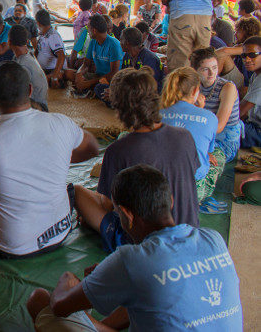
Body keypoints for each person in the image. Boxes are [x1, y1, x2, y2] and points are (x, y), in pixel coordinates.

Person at [28, 165, 242, 332]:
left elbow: (59, 306)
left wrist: (67, 279)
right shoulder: (212, 238)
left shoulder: (131, 260)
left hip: (123, 276)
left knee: (39, 300)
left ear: (127, 215)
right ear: (171, 200)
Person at [0, 61, 99, 258]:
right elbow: (93, 147)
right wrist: (60, 156)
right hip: (60, 230)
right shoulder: (60, 122)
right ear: (30, 91)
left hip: (11, 247)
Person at [75, 67, 200, 253]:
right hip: (189, 234)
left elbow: (109, 206)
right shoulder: (185, 136)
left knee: (77, 191)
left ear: (117, 107)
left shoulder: (118, 150)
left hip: (147, 246)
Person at [161, 67, 225, 206]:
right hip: (193, 190)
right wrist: (200, 110)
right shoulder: (210, 118)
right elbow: (207, 150)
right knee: (219, 154)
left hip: (159, 185)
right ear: (196, 91)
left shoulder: (158, 112)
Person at [190, 48, 242, 163]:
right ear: (195, 70)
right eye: (205, 69)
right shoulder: (193, 85)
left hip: (223, 140)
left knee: (196, 160)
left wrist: (199, 147)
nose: (212, 73)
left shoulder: (227, 88)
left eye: (214, 67)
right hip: (202, 134)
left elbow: (218, 127)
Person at [96, 27, 164, 106]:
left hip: (146, 96)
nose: (120, 42)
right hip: (131, 92)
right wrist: (114, 90)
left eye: (121, 40)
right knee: (100, 88)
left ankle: (121, 104)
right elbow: (122, 79)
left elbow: (148, 89)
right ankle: (121, 103)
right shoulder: (127, 56)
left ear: (127, 43)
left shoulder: (149, 59)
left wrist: (119, 94)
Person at [74, 15, 123, 94]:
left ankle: (90, 88)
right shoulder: (93, 42)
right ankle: (88, 88)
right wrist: (79, 74)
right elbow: (86, 64)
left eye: (88, 28)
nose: (87, 30)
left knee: (99, 88)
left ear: (94, 30)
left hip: (110, 79)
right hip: (97, 76)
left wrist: (88, 83)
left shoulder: (114, 44)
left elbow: (114, 73)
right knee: (69, 74)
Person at [9, 25, 49, 111]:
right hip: (34, 102)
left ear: (9, 42)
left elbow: (19, 94)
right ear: (27, 41)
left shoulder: (23, 65)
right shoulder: (27, 54)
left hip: (37, 107)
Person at [216, 16, 261, 90]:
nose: (235, 34)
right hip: (243, 81)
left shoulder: (250, 47)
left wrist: (209, 57)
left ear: (247, 32)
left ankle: (210, 86)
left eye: (238, 31)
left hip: (247, 84)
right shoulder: (240, 45)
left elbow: (224, 52)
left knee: (222, 55)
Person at [34, 10, 66, 88]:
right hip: (43, 69)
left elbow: (61, 55)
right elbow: (37, 51)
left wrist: (54, 76)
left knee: (36, 84)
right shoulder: (42, 34)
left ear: (38, 23)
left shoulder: (53, 36)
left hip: (52, 70)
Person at [239, 36, 261, 148]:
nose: (247, 59)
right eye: (244, 55)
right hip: (253, 126)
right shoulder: (255, 75)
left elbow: (241, 111)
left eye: (252, 55)